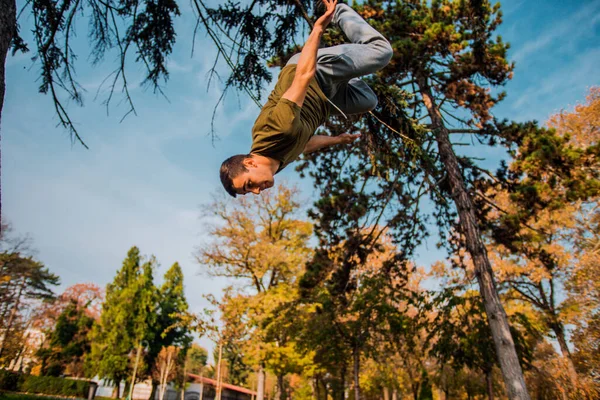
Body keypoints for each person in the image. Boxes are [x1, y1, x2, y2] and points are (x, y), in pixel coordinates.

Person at [219, 0, 393, 197]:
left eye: (249, 184)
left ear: (250, 163)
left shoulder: (274, 131)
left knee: (381, 52)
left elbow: (303, 76)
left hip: (313, 74)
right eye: (249, 191)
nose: (257, 192)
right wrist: (337, 139)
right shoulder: (275, 162)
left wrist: (319, 28)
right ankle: (345, 68)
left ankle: (336, 11)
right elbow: (304, 145)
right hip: (325, 100)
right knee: (368, 100)